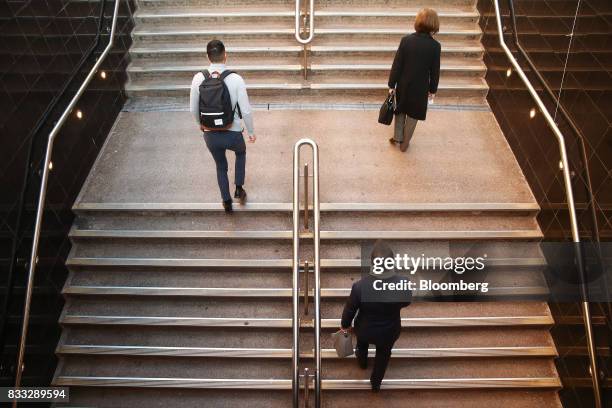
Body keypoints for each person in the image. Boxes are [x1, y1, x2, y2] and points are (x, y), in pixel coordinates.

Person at [189, 39, 256, 213]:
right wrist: (251, 132)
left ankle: (226, 201)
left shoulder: (198, 78)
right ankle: (239, 188)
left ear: (207, 57)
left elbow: (192, 108)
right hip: (233, 132)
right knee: (241, 153)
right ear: (225, 56)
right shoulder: (236, 79)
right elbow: (246, 111)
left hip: (211, 135)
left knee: (220, 166)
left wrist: (201, 125)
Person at [340, 241, 412, 392]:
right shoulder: (403, 283)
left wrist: (345, 325)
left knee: (362, 345)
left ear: (373, 262)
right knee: (383, 356)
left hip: (364, 329)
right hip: (389, 331)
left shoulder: (360, 286)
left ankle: (362, 362)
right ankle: (376, 384)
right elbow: (406, 302)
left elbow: (350, 310)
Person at [388, 8, 441, 152]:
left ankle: (397, 137)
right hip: (421, 87)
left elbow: (397, 64)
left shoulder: (406, 40)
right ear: (434, 25)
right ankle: (405, 142)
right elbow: (435, 71)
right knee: (413, 115)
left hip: (404, 84)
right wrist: (432, 89)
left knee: (400, 110)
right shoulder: (435, 46)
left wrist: (392, 84)